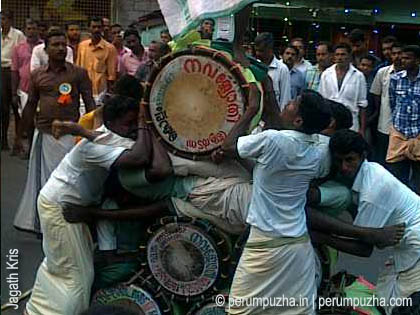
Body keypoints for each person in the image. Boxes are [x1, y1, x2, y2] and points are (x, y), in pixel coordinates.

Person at [24, 95, 155, 315]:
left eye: (135, 123)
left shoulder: (107, 136)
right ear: (111, 124)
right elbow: (140, 157)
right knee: (76, 276)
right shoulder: (95, 146)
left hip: (61, 203)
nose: (132, 129)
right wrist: (143, 123)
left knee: (61, 264)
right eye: (128, 123)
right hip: (61, 206)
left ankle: (37, 309)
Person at [220, 90, 332, 314]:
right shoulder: (320, 151)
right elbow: (268, 172)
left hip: (265, 247)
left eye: (293, 103)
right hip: (298, 247)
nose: (288, 103)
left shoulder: (273, 139)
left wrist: (251, 109)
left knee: (238, 310)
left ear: (298, 120)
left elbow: (228, 147)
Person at [13, 30, 96, 234]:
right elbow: (31, 105)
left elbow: (90, 103)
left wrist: (93, 132)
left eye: (63, 44)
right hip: (45, 135)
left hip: (71, 135)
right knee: (45, 181)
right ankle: (43, 224)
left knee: (71, 180)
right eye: (55, 44)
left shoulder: (78, 73)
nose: (61, 48)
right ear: (46, 49)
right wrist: (19, 135)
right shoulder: (38, 75)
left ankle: (69, 222)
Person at [329, 129, 420, 315]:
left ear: (362, 157)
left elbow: (363, 248)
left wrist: (319, 235)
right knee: (382, 297)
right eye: (339, 161)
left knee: (400, 308)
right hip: (405, 245)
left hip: (415, 244)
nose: (344, 167)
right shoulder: (370, 170)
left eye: (349, 160)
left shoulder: (373, 190)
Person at [387, 45, 420, 194]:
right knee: (396, 180)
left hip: (419, 135)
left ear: (417, 60)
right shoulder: (395, 79)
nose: (403, 60)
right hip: (399, 133)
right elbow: (393, 103)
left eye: (407, 58)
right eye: (402, 57)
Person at [319, 43, 368, 135]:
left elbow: (363, 105)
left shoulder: (358, 76)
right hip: (330, 122)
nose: (340, 57)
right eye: (337, 55)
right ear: (334, 56)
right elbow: (321, 100)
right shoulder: (326, 74)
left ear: (349, 56)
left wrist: (362, 129)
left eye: (343, 54)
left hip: (351, 122)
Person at [11, 19, 43, 156]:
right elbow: (14, 70)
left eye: (34, 28)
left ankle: (40, 149)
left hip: (42, 89)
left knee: (42, 119)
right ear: (25, 30)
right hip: (24, 88)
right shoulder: (18, 48)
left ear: (38, 30)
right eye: (29, 28)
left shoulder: (45, 47)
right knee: (28, 120)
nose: (31, 31)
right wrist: (14, 93)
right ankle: (30, 148)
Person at [370, 42, 404, 166]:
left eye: (399, 53)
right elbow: (376, 95)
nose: (397, 56)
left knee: (400, 165)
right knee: (382, 161)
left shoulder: (412, 75)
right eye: (394, 53)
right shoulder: (382, 72)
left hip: (404, 130)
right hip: (384, 125)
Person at [1, 10, 26, 150]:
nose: (1, 22)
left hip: (13, 71)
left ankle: (18, 140)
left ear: (10, 21)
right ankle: (3, 140)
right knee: (3, 108)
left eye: (4, 19)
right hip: (1, 72)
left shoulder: (18, 35)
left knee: (16, 106)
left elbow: (21, 55)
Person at [77, 16, 118, 100]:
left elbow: (111, 75)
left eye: (99, 27)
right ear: (89, 28)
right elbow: (78, 68)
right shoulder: (82, 46)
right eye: (94, 27)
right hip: (82, 90)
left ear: (102, 28)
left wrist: (108, 94)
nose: (96, 30)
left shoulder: (110, 48)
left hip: (100, 92)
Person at [254, 32, 291, 110]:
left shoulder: (282, 69)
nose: (257, 53)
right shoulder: (254, 67)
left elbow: (285, 98)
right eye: (256, 50)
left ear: (270, 49)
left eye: (261, 51)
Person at [358, 55, 378, 144]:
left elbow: (377, 107)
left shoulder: (375, 82)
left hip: (368, 122)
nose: (365, 68)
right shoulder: (353, 79)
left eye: (368, 66)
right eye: (363, 65)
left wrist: (367, 122)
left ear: (373, 68)